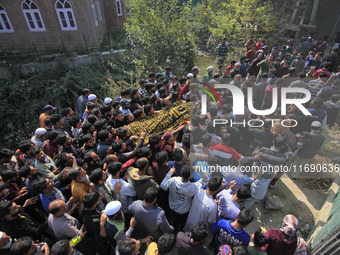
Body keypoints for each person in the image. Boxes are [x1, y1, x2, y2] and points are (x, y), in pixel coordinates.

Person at [160, 164, 209, 233]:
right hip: (183, 212)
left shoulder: (173, 180)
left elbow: (163, 186)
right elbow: (206, 180)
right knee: (180, 226)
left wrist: (170, 173)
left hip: (172, 208)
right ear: (190, 176)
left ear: (180, 172)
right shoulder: (193, 187)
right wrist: (199, 170)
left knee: (172, 225)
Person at [183, 177, 222, 245]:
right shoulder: (213, 206)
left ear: (207, 183)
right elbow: (211, 220)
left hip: (189, 223)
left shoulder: (198, 191)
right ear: (218, 189)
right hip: (199, 231)